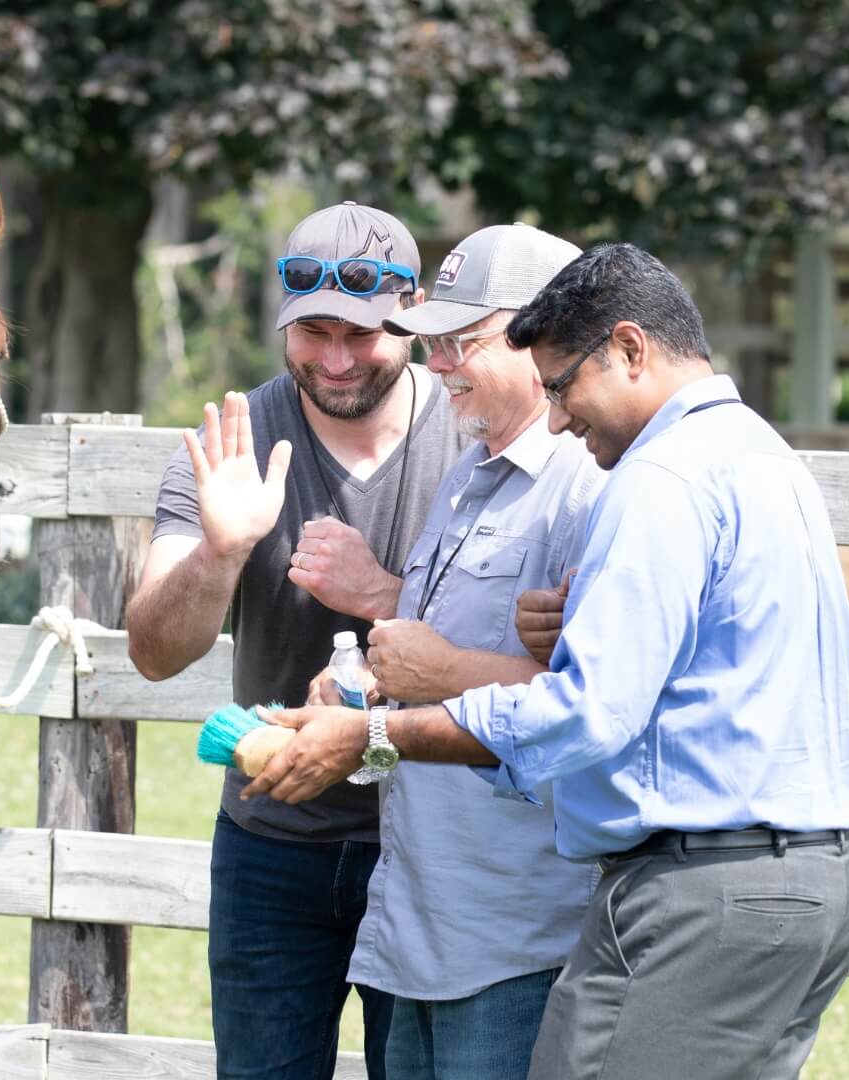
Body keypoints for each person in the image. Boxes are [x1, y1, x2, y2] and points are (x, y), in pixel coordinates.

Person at [245, 243, 849, 1080]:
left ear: (630, 349)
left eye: (564, 384)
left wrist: (376, 737)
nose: (560, 416)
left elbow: (589, 712)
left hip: (703, 885)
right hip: (785, 875)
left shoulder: (662, 477)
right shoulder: (758, 453)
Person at [125, 201, 463, 1079]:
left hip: (436, 841)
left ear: (413, 314)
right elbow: (155, 651)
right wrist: (220, 551)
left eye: (365, 333)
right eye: (313, 333)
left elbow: (526, 652)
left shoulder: (475, 436)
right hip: (273, 841)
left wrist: (380, 594)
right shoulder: (231, 445)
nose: (338, 359)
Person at [315, 222, 604, 1080]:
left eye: (459, 342)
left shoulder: (584, 488)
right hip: (421, 925)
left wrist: (434, 673)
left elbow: (599, 704)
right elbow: (434, 660)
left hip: (518, 935)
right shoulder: (469, 468)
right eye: (431, 342)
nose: (435, 365)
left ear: (542, 339)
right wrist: (356, 693)